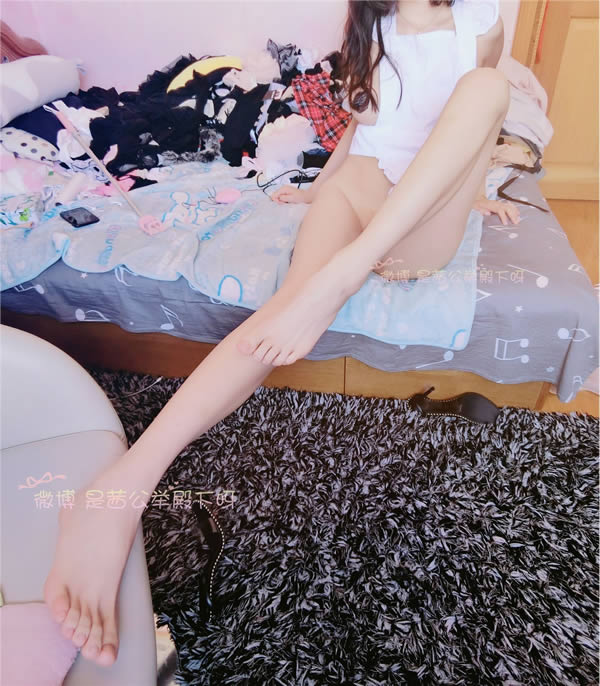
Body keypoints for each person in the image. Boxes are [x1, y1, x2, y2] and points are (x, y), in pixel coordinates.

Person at [44, 0, 519, 666]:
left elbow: (478, 126)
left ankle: (341, 276)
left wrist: (477, 188)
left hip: (416, 221)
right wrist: (320, 186)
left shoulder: (480, 21)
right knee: (282, 313)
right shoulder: (372, 24)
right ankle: (118, 492)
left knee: (489, 86)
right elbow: (365, 129)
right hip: (357, 187)